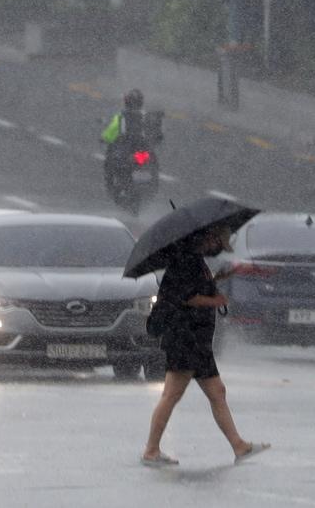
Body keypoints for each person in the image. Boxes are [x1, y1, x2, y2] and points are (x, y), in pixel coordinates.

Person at [141, 224, 269, 466]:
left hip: (196, 341)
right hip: (185, 339)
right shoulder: (186, 260)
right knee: (171, 395)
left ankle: (239, 446)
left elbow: (192, 288)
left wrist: (217, 279)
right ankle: (151, 450)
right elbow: (189, 297)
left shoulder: (193, 259)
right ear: (207, 239)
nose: (219, 247)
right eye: (218, 242)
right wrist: (216, 300)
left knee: (217, 392)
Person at [100, 89, 152, 198]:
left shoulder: (121, 117)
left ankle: (115, 188)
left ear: (126, 102)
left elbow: (110, 132)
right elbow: (154, 135)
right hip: (143, 153)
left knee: (111, 163)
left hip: (126, 153)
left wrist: (104, 138)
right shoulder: (147, 117)